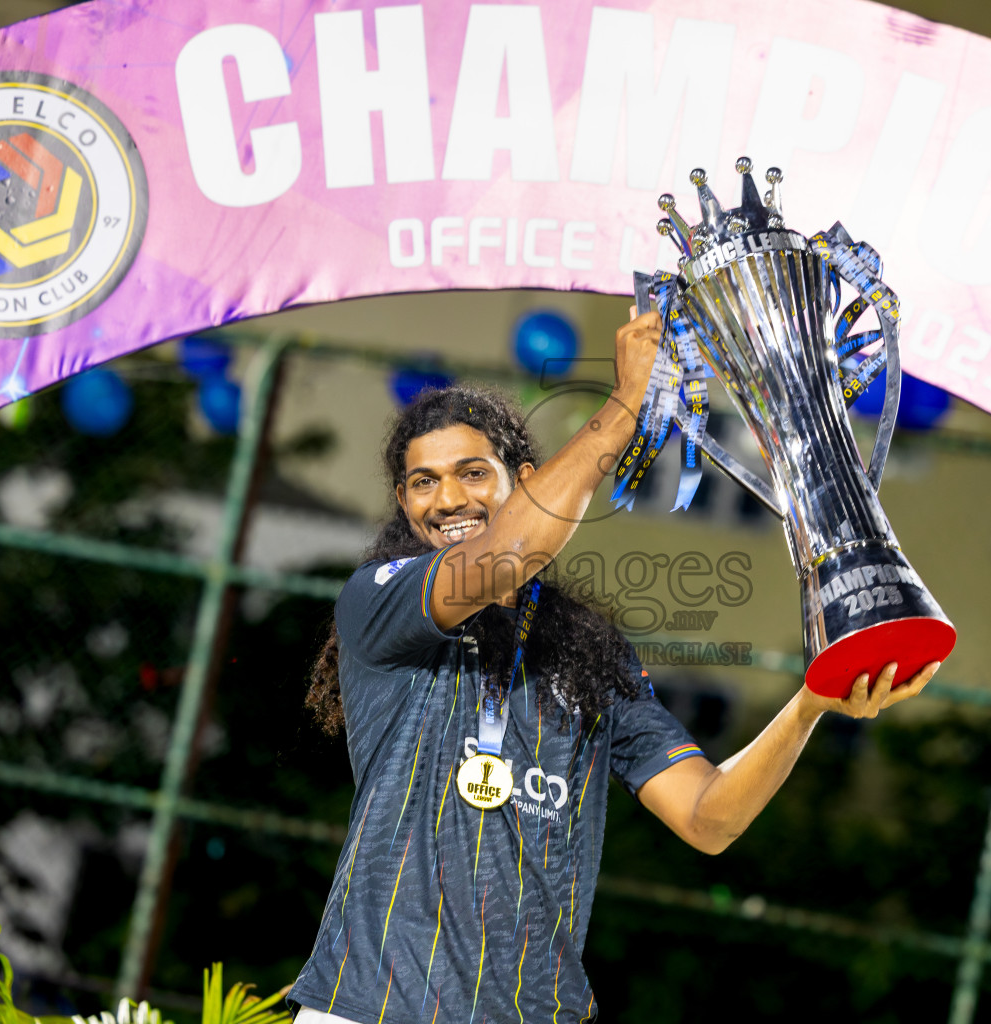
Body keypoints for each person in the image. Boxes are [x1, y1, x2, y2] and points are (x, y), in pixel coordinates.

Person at [288, 310, 940, 1023]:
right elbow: (509, 556)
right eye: (422, 482)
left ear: (526, 481)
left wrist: (810, 703)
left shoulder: (589, 654)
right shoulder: (380, 606)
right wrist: (628, 403)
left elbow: (707, 818)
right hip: (368, 1008)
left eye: (474, 473)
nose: (447, 498)